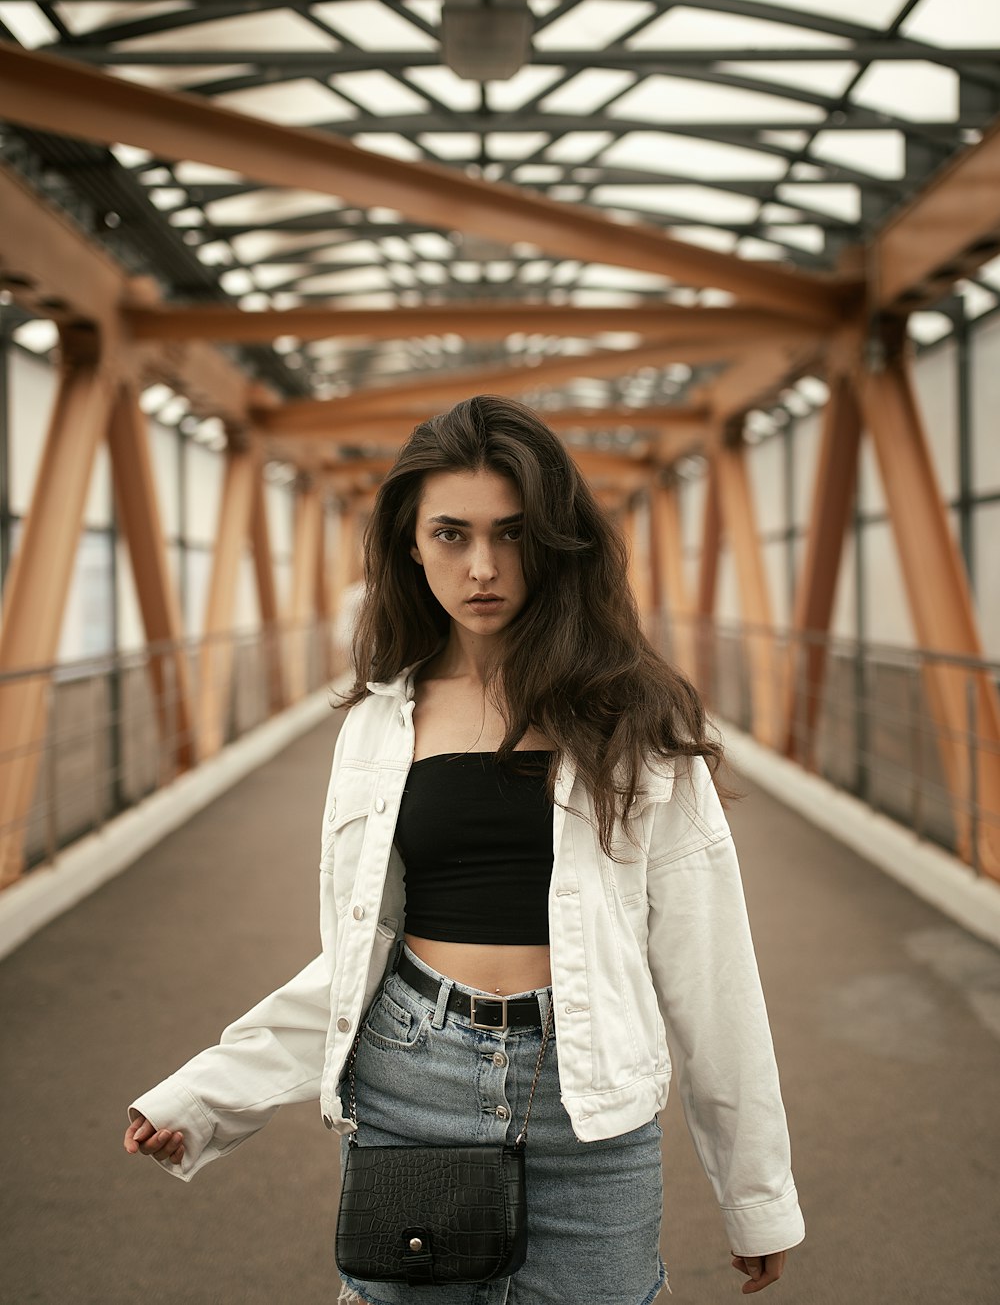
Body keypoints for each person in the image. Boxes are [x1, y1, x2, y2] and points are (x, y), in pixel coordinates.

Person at [124, 394, 805, 1303]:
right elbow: (355, 960)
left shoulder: (632, 715)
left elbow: (708, 960)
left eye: (513, 535)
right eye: (451, 535)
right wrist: (206, 1097)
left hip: (589, 1105)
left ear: (556, 542)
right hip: (413, 1082)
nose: (483, 567)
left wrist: (755, 1194)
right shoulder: (375, 724)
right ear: (411, 544)